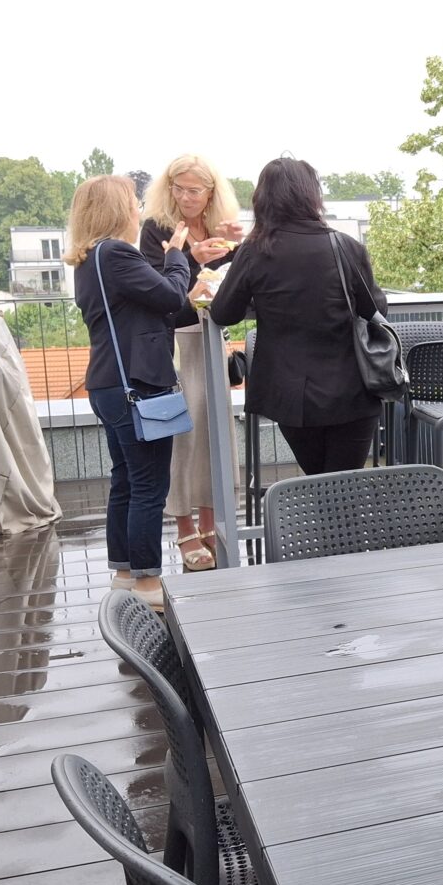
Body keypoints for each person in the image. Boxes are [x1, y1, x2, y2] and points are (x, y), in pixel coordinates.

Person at [208, 158, 390, 475]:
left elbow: (224, 312)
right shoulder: (345, 246)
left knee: (317, 482)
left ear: (262, 199)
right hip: (352, 389)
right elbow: (375, 310)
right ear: (312, 196)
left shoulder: (253, 251)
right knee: (344, 487)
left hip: (290, 396)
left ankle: (320, 525)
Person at [69, 174, 192, 610]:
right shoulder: (117, 254)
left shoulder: (89, 259)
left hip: (108, 385)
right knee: (148, 487)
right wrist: (177, 254)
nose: (140, 210)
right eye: (134, 204)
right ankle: (147, 585)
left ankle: (124, 573)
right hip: (135, 388)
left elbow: (144, 308)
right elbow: (172, 295)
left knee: (124, 481)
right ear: (119, 210)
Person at [139, 155, 245, 571]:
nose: (185, 197)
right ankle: (184, 530)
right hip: (178, 343)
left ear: (211, 193)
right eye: (178, 188)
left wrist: (242, 244)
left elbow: (230, 285)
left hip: (212, 339)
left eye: (193, 190)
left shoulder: (219, 229)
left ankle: (209, 524)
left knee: (215, 436)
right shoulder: (156, 230)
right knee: (184, 438)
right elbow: (159, 296)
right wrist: (193, 259)